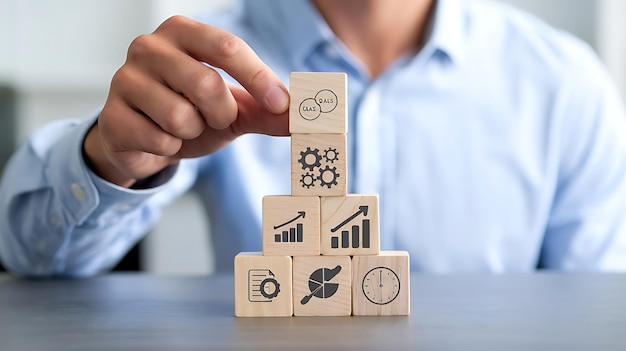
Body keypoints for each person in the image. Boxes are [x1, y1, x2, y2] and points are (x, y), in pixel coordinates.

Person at [1, 0, 626, 277]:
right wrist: (111, 164)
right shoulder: (202, 61)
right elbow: (33, 263)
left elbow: (590, 311)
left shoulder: (566, 83)